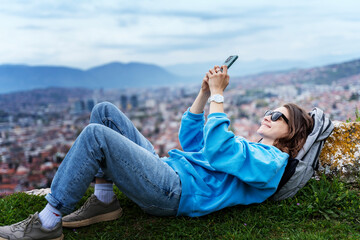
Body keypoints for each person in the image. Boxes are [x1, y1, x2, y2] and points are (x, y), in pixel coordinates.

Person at [0, 65, 313, 240]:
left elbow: (218, 149)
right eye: (271, 110)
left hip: (174, 191)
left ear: (293, 131)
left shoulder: (271, 163)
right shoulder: (253, 148)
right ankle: (105, 202)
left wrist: (219, 95)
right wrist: (204, 95)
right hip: (167, 170)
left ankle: (49, 220)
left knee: (97, 135)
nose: (268, 116)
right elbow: (191, 142)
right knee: (104, 112)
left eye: (278, 116)